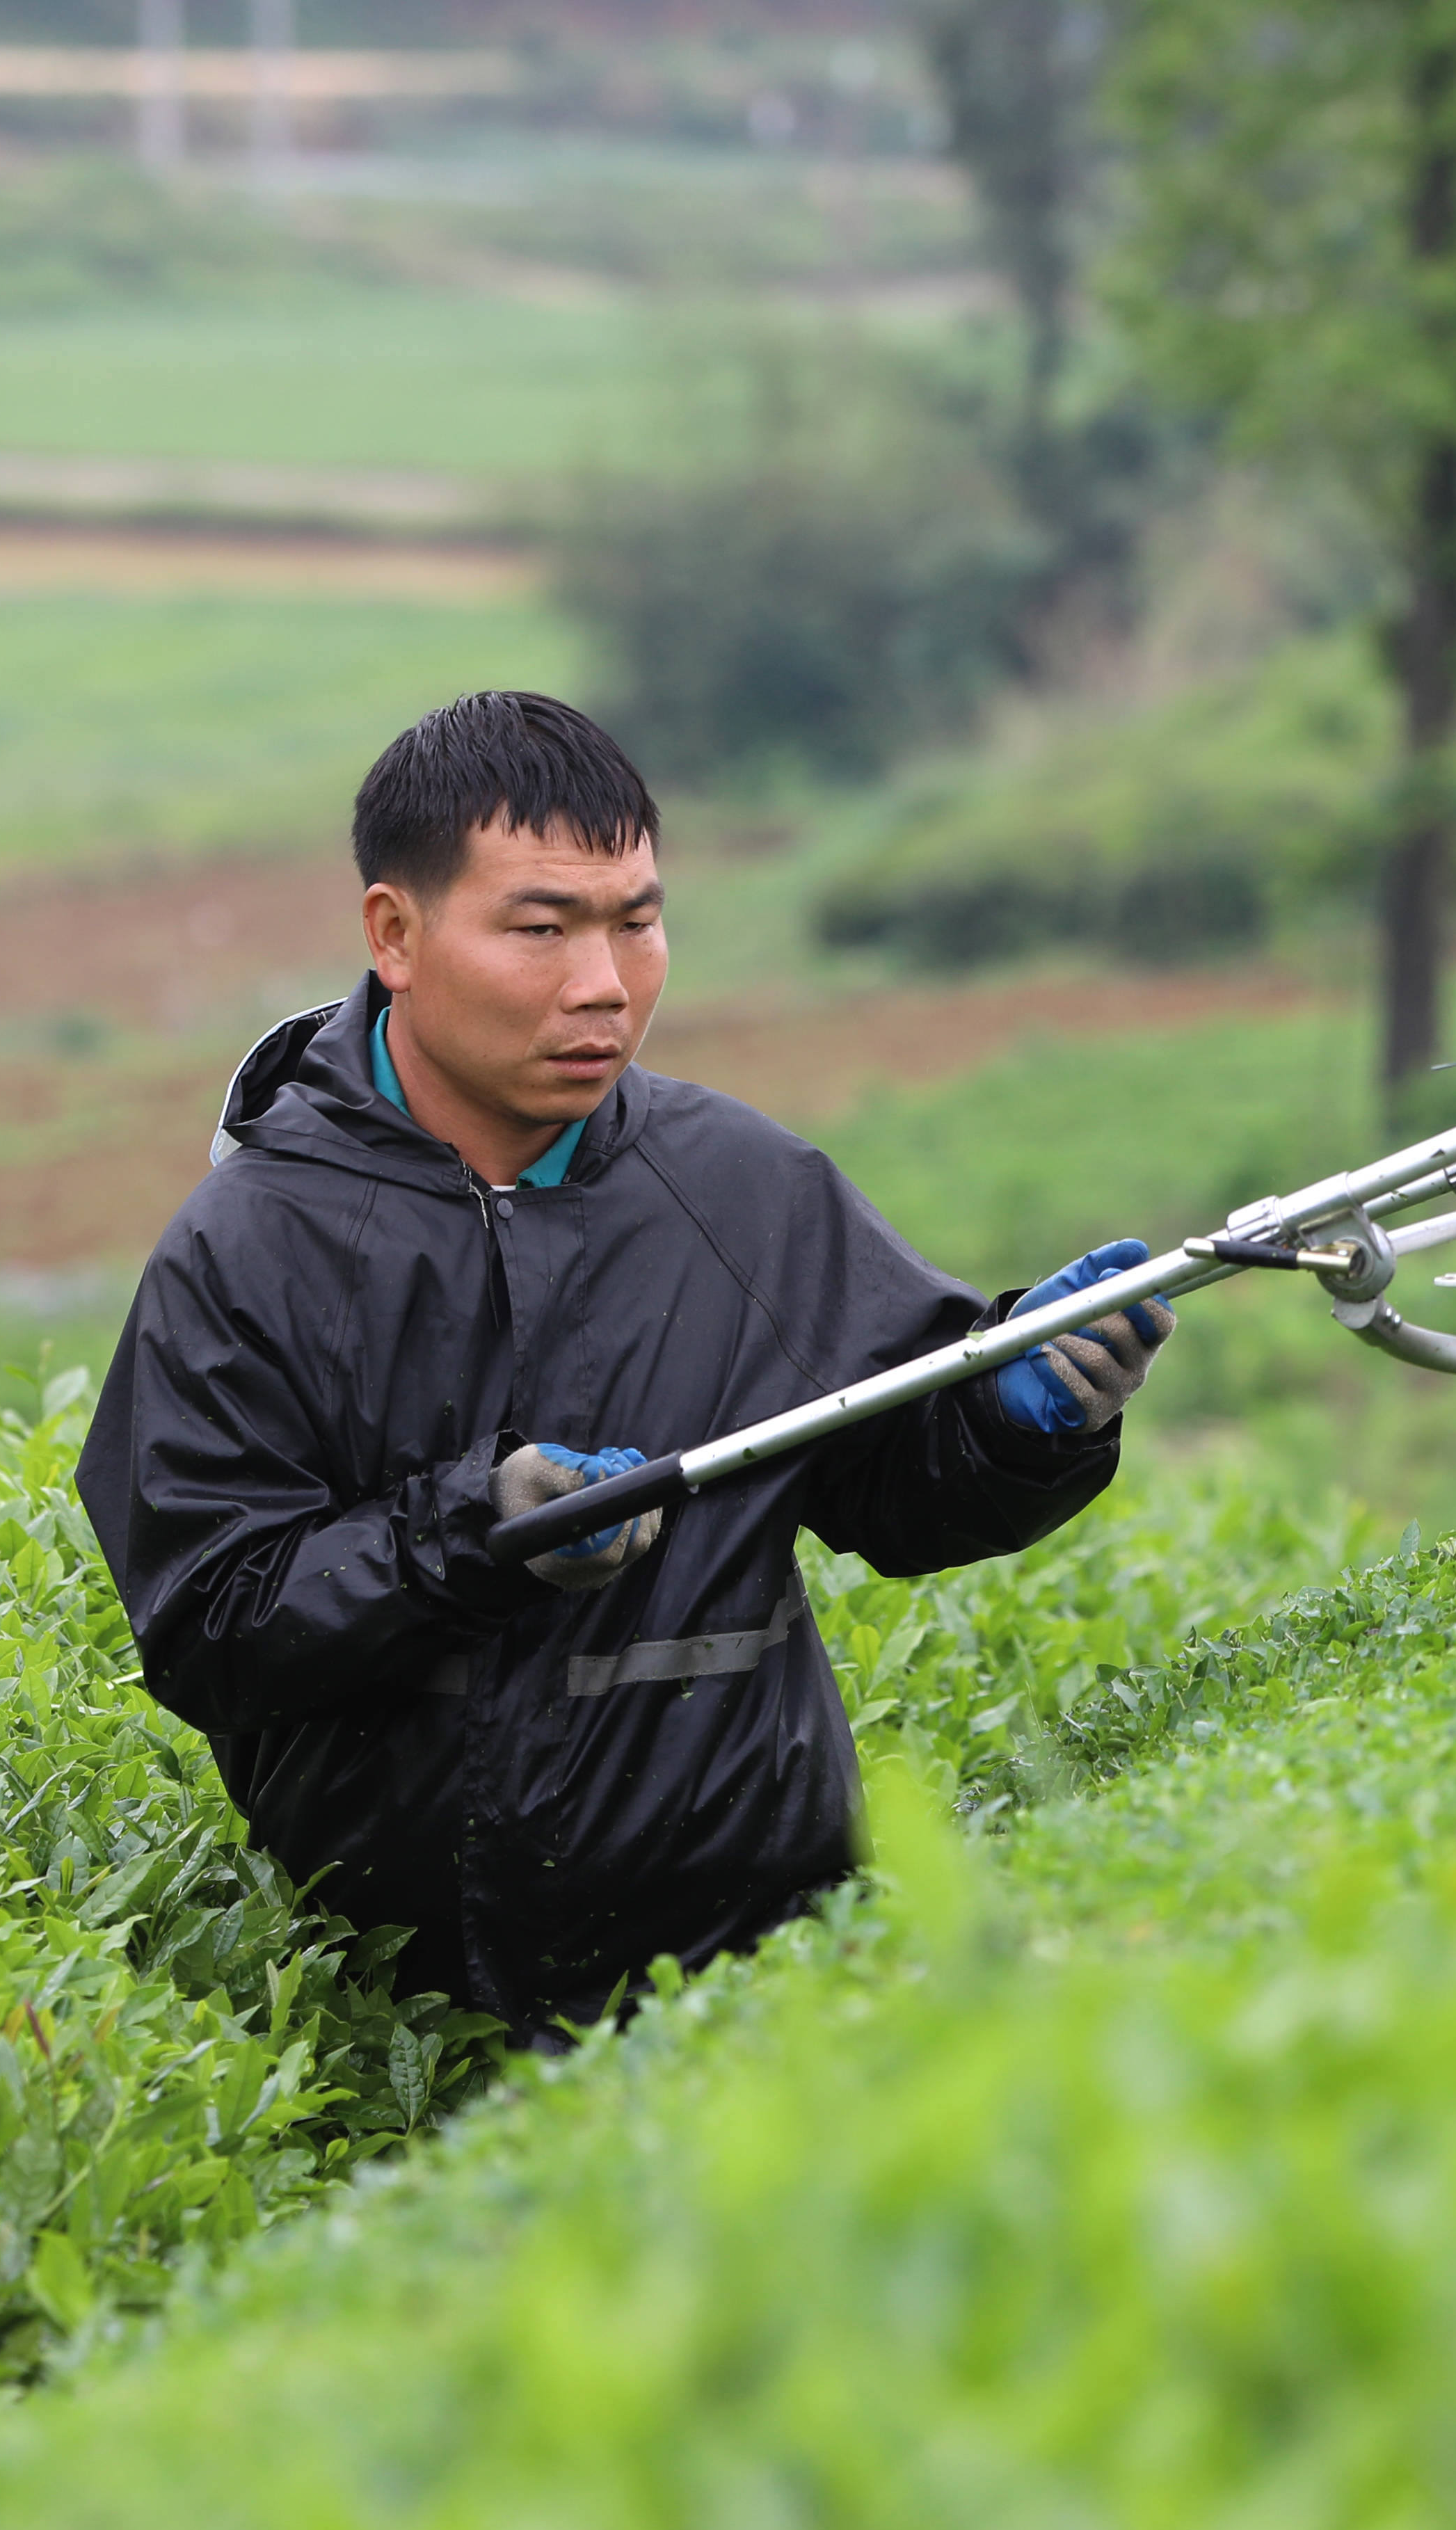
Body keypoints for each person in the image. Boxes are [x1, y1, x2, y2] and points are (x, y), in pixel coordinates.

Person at [79, 692, 1173, 2034]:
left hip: (768, 1982)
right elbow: (211, 1628)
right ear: (396, 934)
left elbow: (894, 1485)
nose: (603, 985)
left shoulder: (741, 1186)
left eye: (637, 922)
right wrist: (473, 1537)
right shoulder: (252, 1248)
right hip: (417, 2022)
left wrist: (1015, 1416)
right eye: (541, 929)